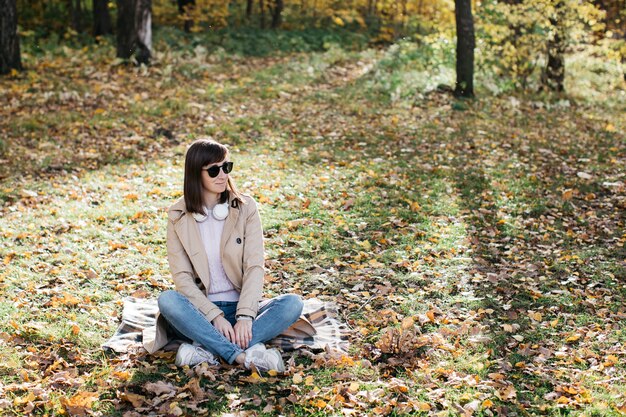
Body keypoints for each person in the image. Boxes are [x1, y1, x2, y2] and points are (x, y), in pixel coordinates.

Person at [157, 138, 303, 372]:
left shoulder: (246, 207)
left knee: (292, 304)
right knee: (167, 300)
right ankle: (244, 356)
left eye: (226, 167)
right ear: (196, 174)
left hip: (242, 307)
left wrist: (245, 316)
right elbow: (182, 278)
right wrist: (214, 316)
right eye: (214, 170)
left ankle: (207, 349)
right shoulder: (178, 214)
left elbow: (255, 266)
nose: (223, 175)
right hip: (201, 313)